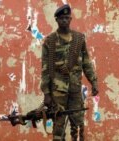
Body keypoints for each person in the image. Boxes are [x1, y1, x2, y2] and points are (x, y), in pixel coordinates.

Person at [40, 4, 98, 141]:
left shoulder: (79, 39)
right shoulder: (50, 41)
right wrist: (47, 93)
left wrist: (94, 82)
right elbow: (45, 69)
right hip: (57, 91)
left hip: (75, 90)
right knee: (58, 126)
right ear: (57, 20)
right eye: (61, 18)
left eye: (67, 17)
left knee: (77, 125)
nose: (64, 20)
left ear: (71, 19)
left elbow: (86, 63)